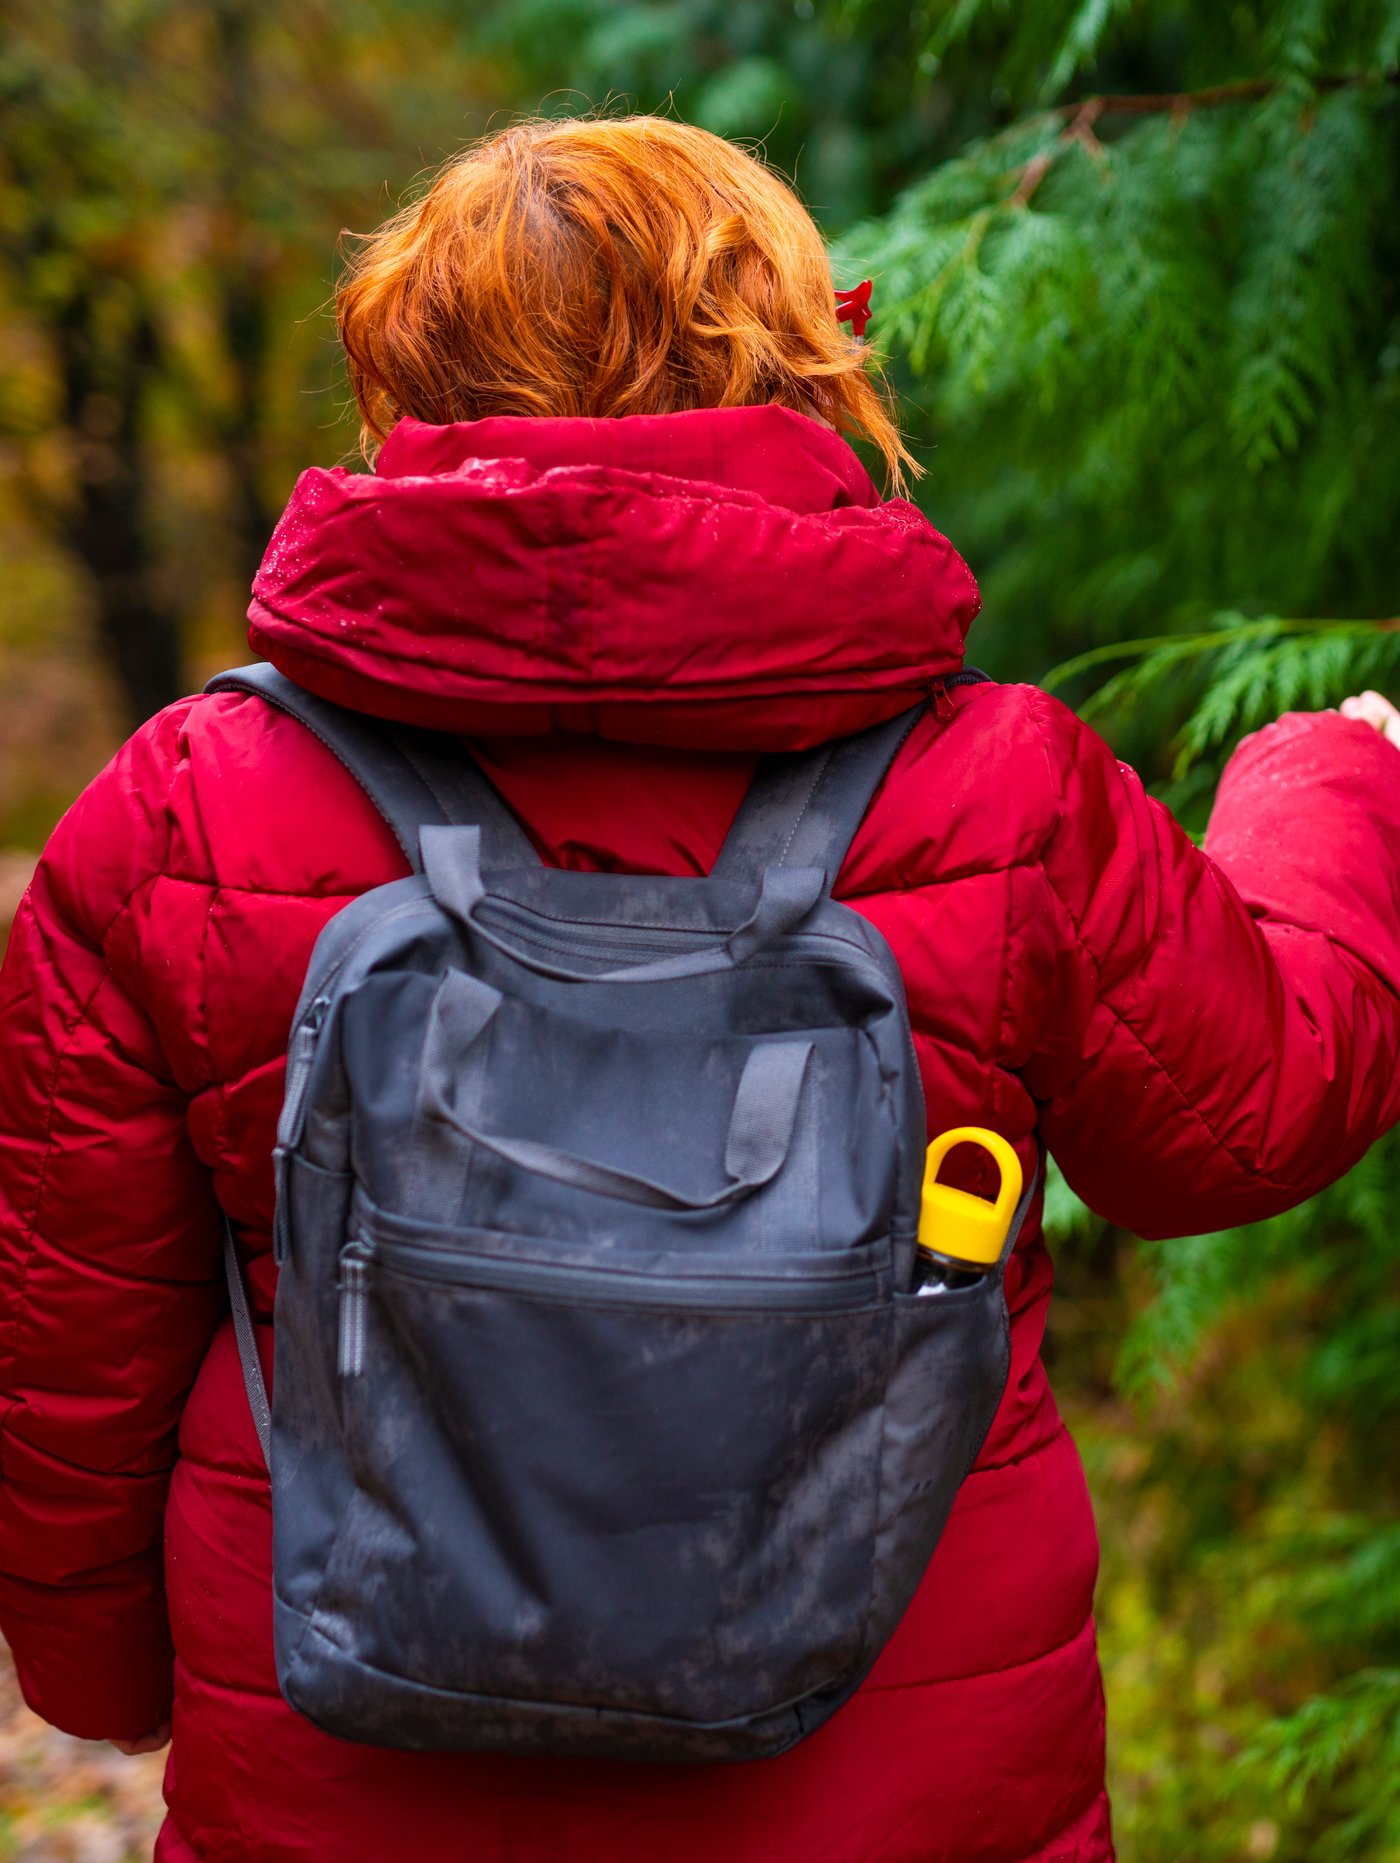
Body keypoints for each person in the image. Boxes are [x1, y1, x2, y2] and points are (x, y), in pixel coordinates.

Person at [1, 114, 1397, 1863]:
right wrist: (1327, 788)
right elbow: (1244, 1123)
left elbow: (74, 1345)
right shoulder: (995, 793)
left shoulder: (186, 810)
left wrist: (109, 1680)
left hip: (347, 1770)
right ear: (798, 361)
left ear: (407, 379)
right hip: (899, 1789)